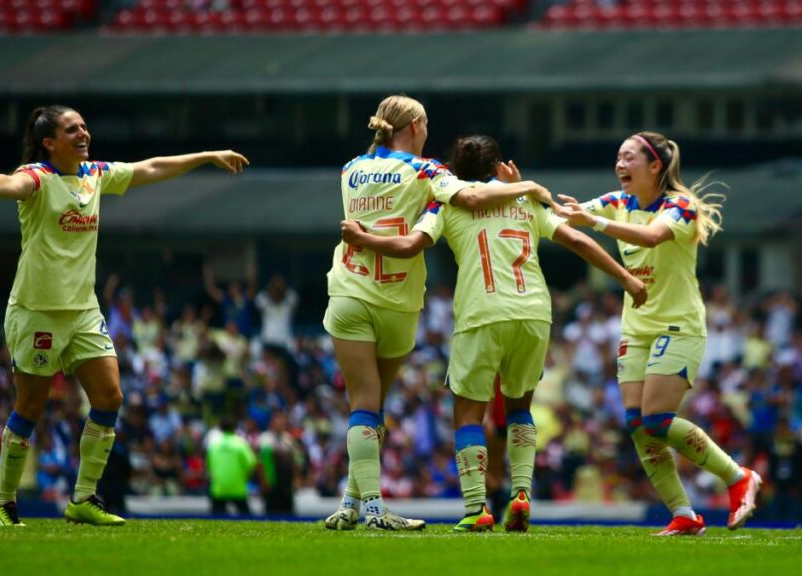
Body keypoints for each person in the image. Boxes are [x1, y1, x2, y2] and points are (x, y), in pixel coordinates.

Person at [0, 104, 249, 527]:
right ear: (49, 143)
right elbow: (11, 182)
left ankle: (83, 498)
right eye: (72, 129)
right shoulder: (38, 179)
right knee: (30, 406)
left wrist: (206, 156)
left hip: (83, 311)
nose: (83, 133)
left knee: (110, 397)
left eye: (84, 126)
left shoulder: (95, 175)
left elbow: (150, 168)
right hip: (36, 313)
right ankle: (3, 504)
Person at [341, 134, 646, 532]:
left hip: (481, 313)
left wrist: (363, 238)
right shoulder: (524, 200)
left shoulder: (447, 203)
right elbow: (577, 240)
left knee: (468, 414)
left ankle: (476, 507)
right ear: (500, 166)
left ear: (455, 170)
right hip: (534, 314)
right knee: (519, 409)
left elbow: (409, 245)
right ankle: (521, 494)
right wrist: (626, 278)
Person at [323, 96, 558, 531]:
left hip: (348, 290)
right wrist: (526, 188)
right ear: (413, 124)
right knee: (373, 406)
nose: (428, 131)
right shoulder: (428, 171)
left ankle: (353, 503)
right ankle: (373, 510)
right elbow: (469, 197)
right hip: (395, 299)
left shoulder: (350, 168)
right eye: (426, 123)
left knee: (363, 406)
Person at [557, 131, 760, 536]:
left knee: (657, 419)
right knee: (637, 422)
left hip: (678, 326)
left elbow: (650, 235)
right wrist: (519, 193)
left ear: (656, 167)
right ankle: (683, 514)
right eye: (618, 157)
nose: (619, 165)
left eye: (629, 158)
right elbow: (565, 214)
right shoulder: (618, 203)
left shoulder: (680, 207)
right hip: (636, 328)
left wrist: (593, 222)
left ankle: (738, 477)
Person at [206, 417, 258, 516]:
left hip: (219, 489)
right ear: (234, 428)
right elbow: (251, 462)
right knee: (248, 521)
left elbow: (209, 466)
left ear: (220, 428)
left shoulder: (213, 444)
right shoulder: (240, 443)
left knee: (216, 522)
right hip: (238, 488)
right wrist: (245, 477)